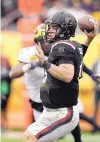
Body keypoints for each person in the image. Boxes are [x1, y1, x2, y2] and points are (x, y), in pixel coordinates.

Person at [24, 11, 98, 142]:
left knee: (31, 138)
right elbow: (78, 56)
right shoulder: (71, 46)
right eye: (50, 26)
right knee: (29, 136)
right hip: (52, 111)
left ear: (65, 29)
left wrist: (44, 63)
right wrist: (89, 40)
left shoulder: (61, 46)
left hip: (61, 112)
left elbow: (67, 75)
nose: (50, 30)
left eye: (55, 27)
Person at [9, 23, 51, 121]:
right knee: (43, 133)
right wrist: (30, 65)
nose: (49, 44)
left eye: (51, 40)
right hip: (38, 101)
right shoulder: (29, 54)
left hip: (57, 99)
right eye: (46, 41)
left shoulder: (59, 51)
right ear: (38, 42)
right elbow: (12, 74)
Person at [1, 55, 12, 132]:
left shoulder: (7, 71)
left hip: (4, 90)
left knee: (3, 109)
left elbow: (10, 79)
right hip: (4, 89)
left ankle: (4, 126)